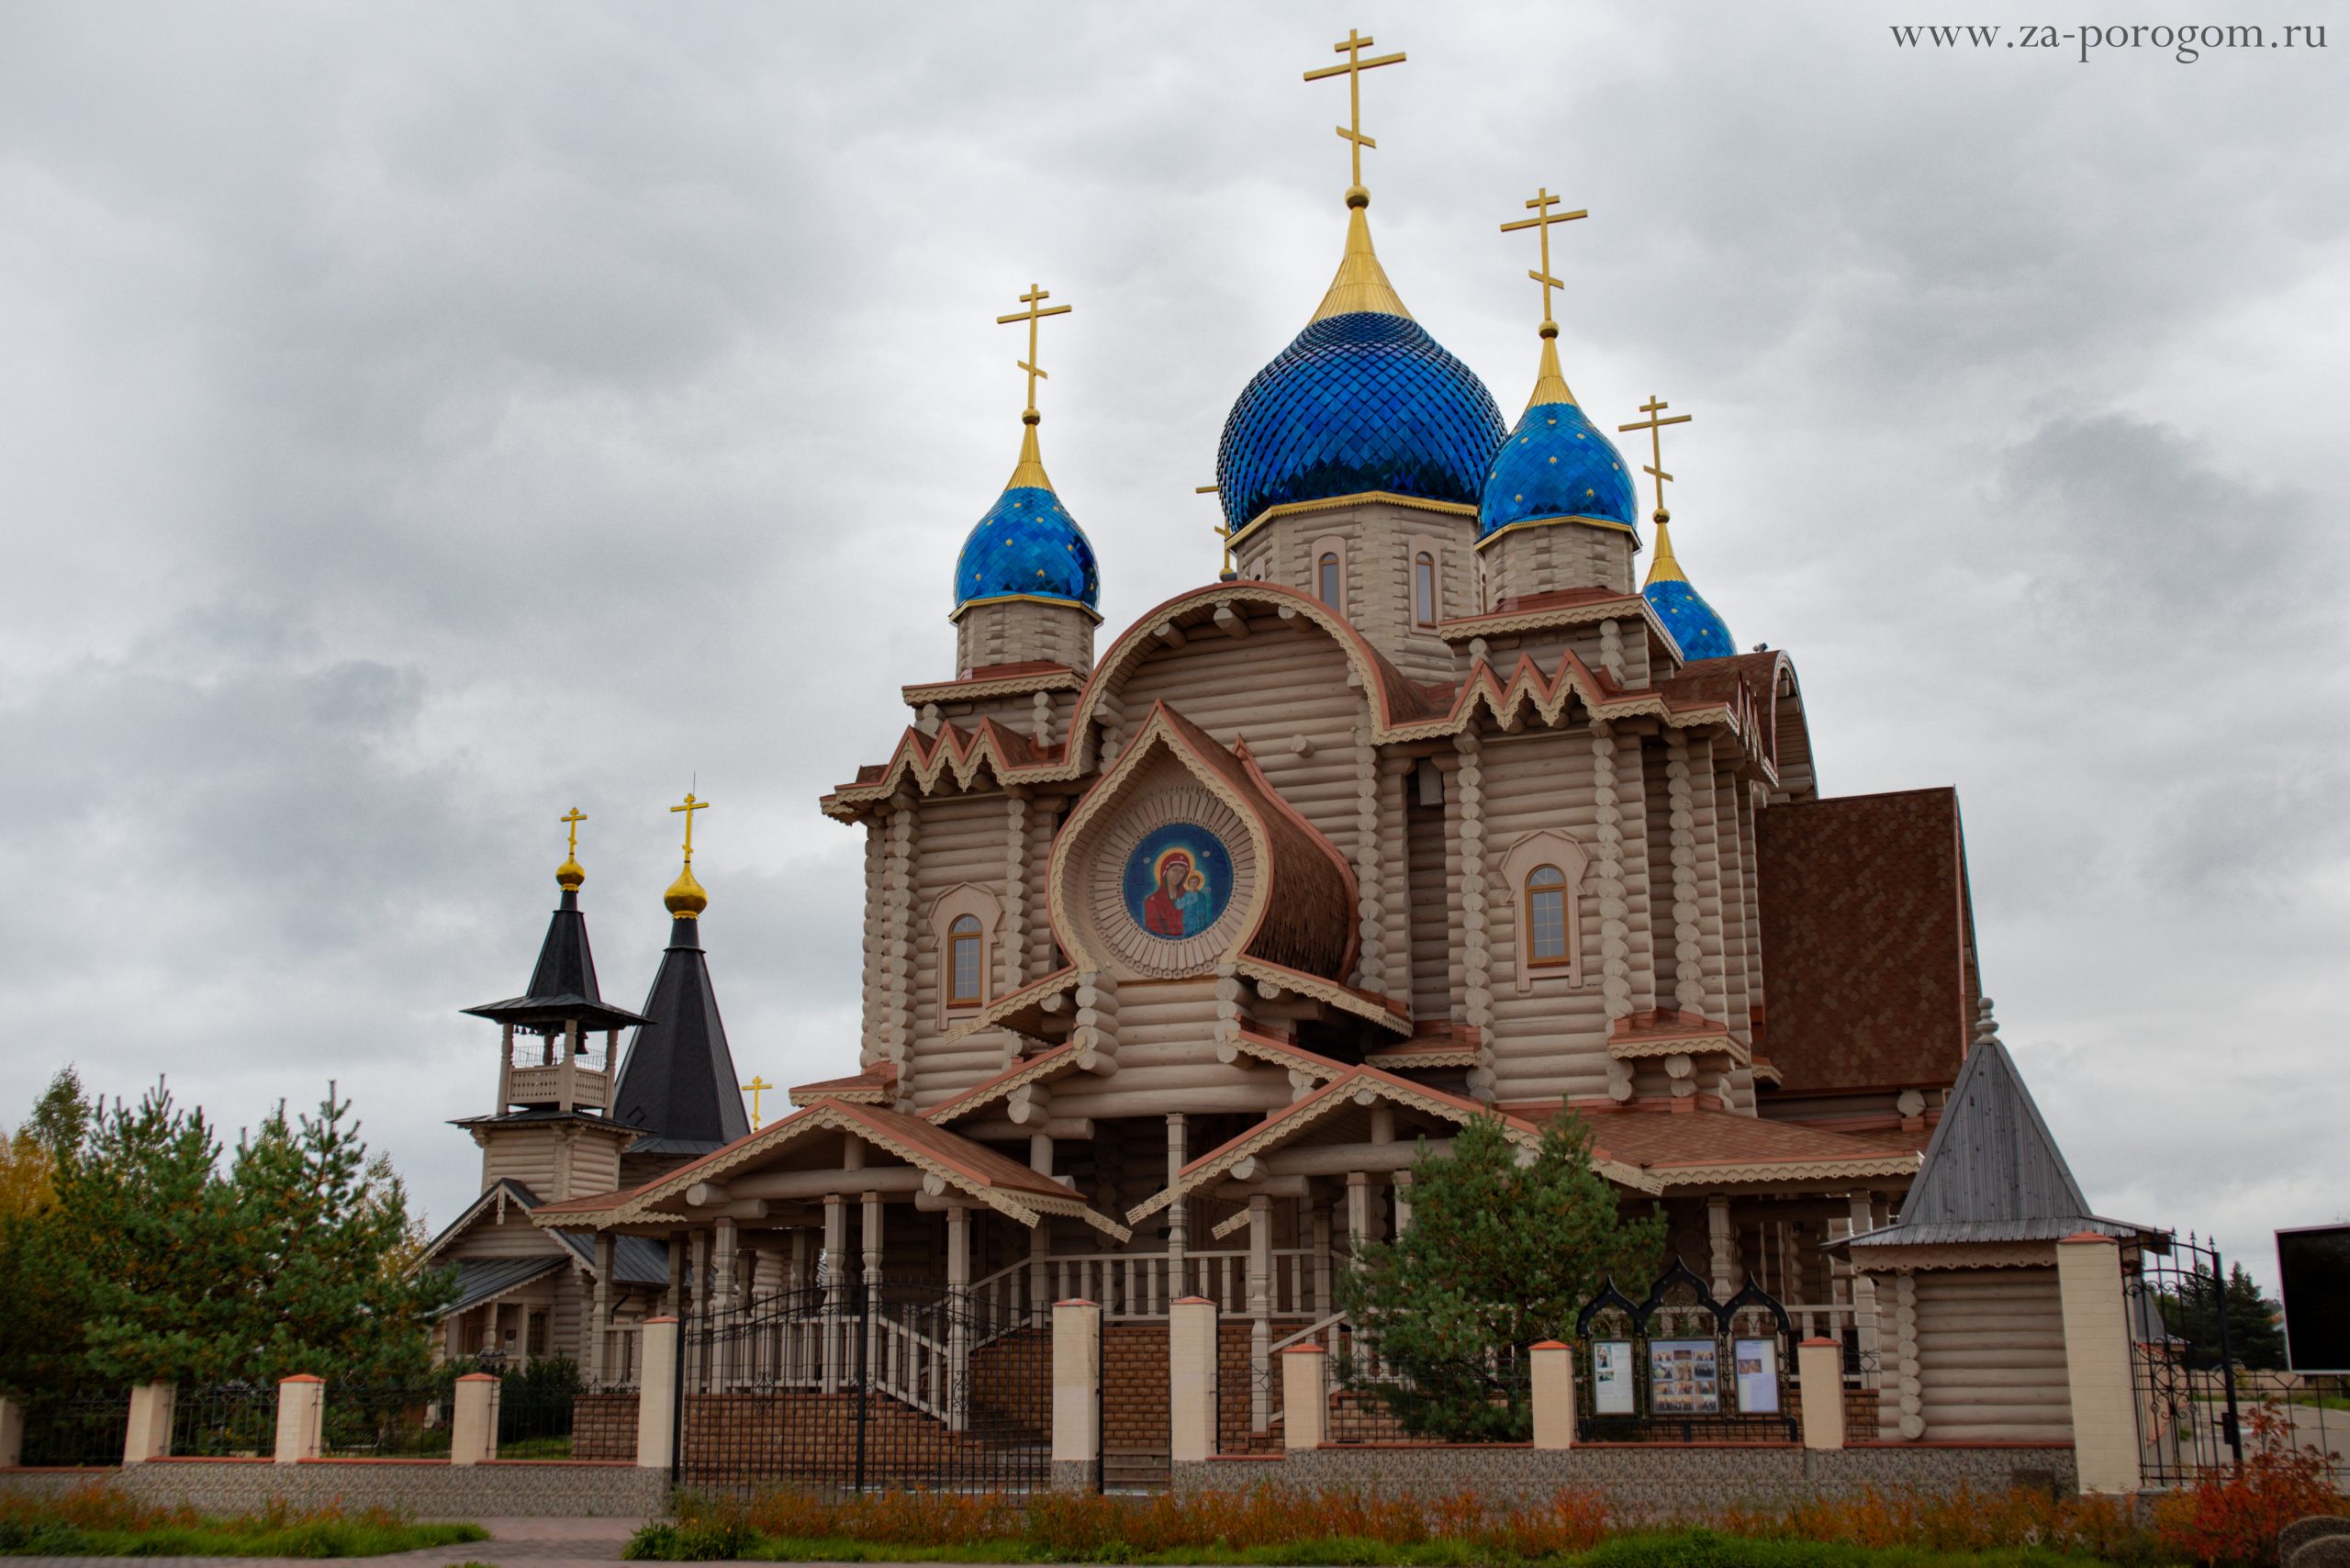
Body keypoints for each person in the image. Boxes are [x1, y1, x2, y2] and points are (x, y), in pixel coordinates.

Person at [1144, 850, 1192, 936]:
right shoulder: (1152, 902)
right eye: (1174, 870)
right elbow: (1154, 932)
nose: (1178, 875)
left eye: (1182, 872)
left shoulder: (1189, 898)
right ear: (1165, 872)